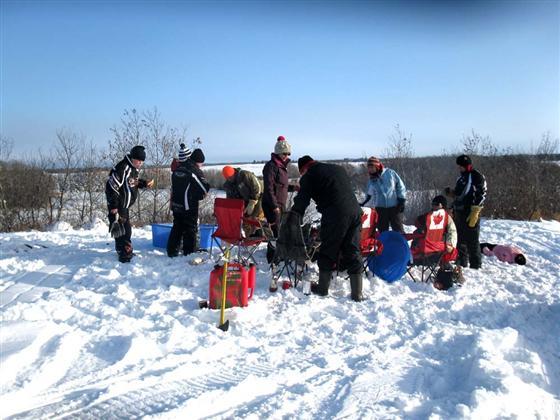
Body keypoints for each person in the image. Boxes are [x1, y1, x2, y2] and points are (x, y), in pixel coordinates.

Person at [290, 155, 364, 302]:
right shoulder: (337, 168)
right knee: (352, 250)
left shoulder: (309, 175)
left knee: (328, 249)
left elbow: (302, 199)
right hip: (355, 212)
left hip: (335, 214)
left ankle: (323, 289)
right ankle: (357, 293)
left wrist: (294, 215)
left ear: (303, 169)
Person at [105, 145, 154, 263]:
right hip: (117, 205)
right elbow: (111, 187)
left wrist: (143, 183)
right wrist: (114, 207)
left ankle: (121, 250)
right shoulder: (122, 168)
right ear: (133, 158)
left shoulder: (133, 168)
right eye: (138, 160)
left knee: (122, 229)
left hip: (124, 205)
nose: (140, 163)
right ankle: (124, 254)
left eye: (142, 161)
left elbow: (132, 182)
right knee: (124, 230)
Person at [445, 154, 487, 269]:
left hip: (471, 212)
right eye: (459, 167)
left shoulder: (477, 176)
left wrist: (476, 210)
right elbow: (459, 194)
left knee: (472, 240)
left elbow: (482, 193)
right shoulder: (461, 178)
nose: (459, 169)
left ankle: (476, 264)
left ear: (467, 165)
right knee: (459, 238)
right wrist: (451, 193)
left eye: (461, 166)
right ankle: (461, 262)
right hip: (459, 212)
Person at [167, 148, 209, 257]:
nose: (201, 165)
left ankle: (172, 250)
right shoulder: (193, 170)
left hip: (176, 204)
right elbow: (204, 188)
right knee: (190, 228)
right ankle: (189, 252)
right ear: (198, 161)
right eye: (201, 163)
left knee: (177, 226)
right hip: (188, 205)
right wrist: (198, 195)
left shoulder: (177, 168)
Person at [360, 156, 406, 233]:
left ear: (377, 166)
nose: (369, 169)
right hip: (380, 209)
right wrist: (364, 205)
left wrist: (401, 200)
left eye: (371, 167)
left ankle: (401, 244)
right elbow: (369, 196)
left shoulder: (390, 173)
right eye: (368, 167)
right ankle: (383, 245)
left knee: (398, 230)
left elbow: (400, 186)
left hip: (394, 207)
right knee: (383, 231)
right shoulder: (371, 180)